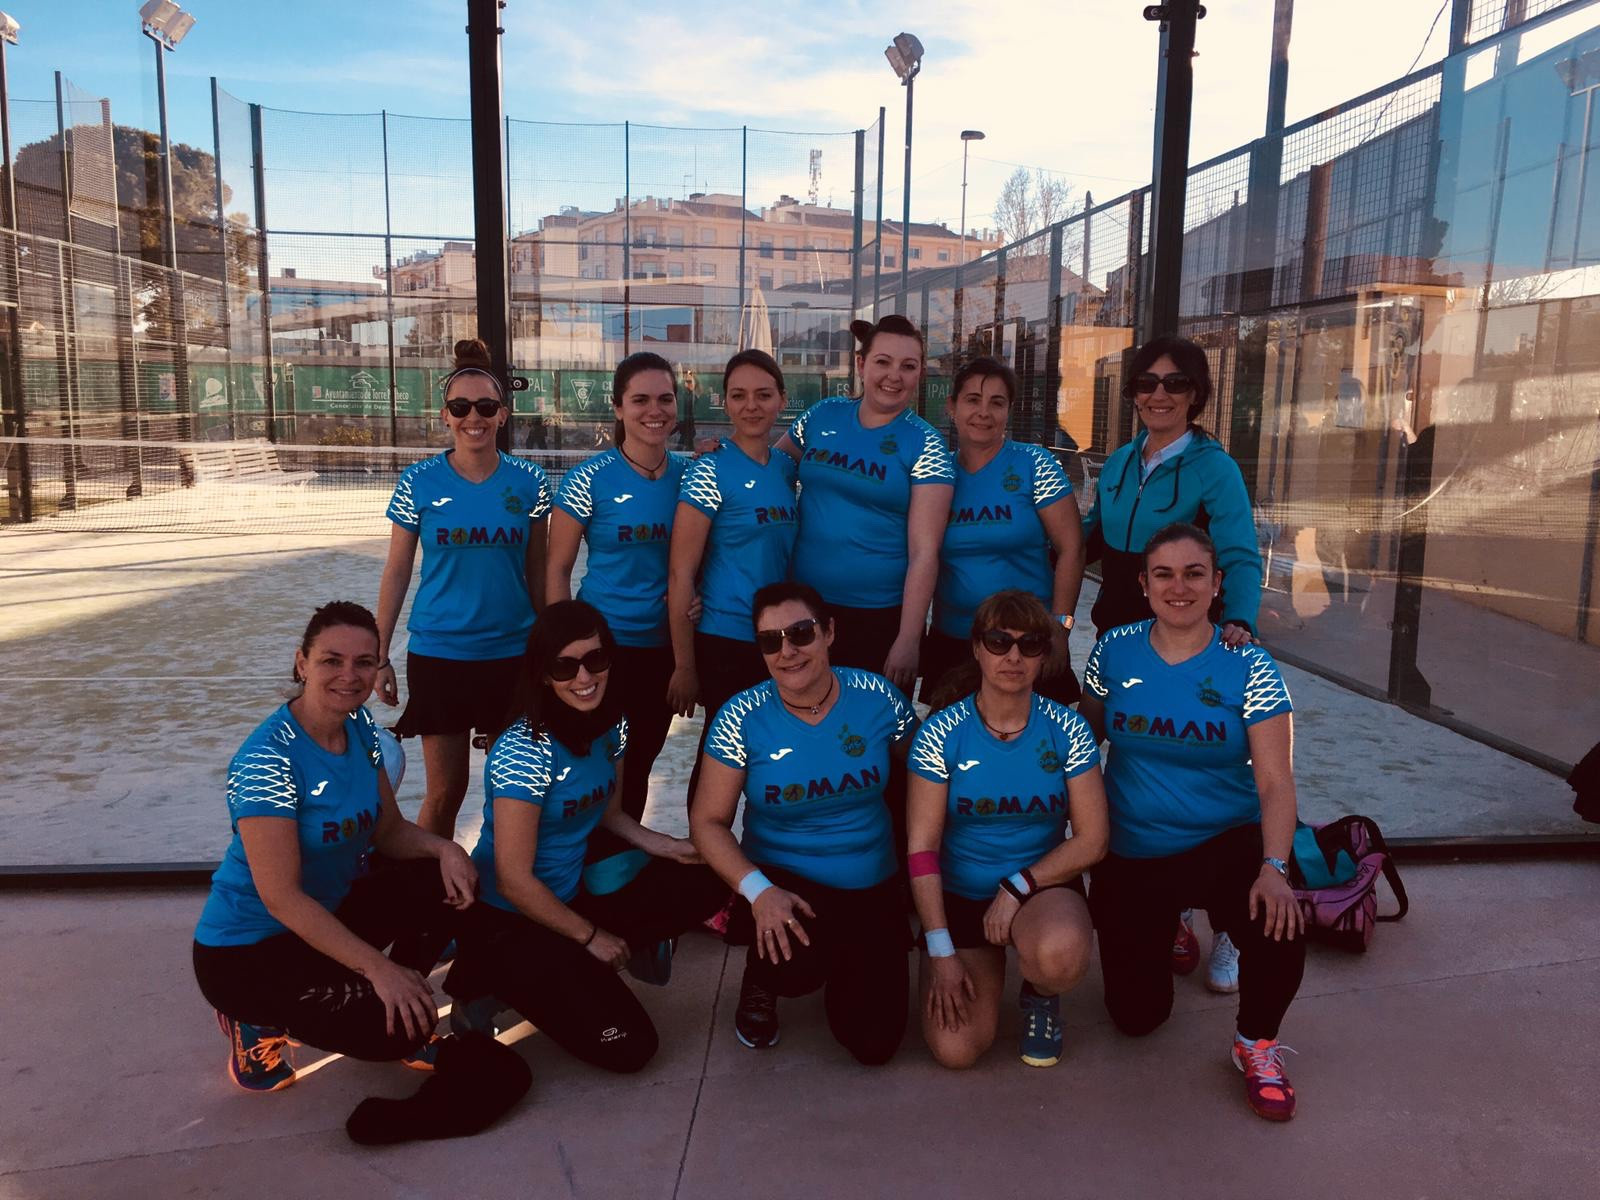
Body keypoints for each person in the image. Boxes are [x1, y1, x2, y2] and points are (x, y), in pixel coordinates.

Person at [193, 602, 480, 1092]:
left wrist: (446, 851)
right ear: (302, 663)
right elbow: (282, 898)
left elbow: (390, 832)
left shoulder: (360, 727)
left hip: (327, 916)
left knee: (447, 880)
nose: (350, 675)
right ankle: (254, 1020)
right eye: (332, 660)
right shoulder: (267, 759)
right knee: (392, 1035)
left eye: (364, 662)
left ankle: (399, 998)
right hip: (248, 950)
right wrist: (379, 968)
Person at [1078, 523, 1307, 1122]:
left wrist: (1275, 867)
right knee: (1136, 1019)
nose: (1178, 587)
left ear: (1217, 583)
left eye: (1193, 573)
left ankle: (1255, 1041)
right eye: (1164, 574)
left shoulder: (1249, 665)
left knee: (1281, 918)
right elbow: (1085, 739)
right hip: (1135, 847)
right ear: (1143, 584)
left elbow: (1275, 781)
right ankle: (1172, 925)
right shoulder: (1113, 649)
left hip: (1224, 839)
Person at [444, 600, 728, 1074]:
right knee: (632, 1048)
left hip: (572, 893)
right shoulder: (524, 749)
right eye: (565, 666)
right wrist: (592, 936)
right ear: (542, 674)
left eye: (596, 659)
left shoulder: (612, 725)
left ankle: (587, 961)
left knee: (710, 875)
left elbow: (609, 814)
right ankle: (488, 987)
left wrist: (666, 845)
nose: (584, 677)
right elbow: (513, 880)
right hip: (510, 917)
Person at [1081, 335, 1264, 983]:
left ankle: (1232, 926)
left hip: (1192, 641)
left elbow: (1238, 553)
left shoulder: (1215, 469)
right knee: (1138, 765)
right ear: (1133, 393)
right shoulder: (1120, 462)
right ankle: (1173, 909)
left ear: (1197, 394)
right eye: (1147, 383)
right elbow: (1090, 538)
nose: (1159, 394)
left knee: (1205, 769)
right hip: (1122, 638)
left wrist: (1240, 620)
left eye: (1175, 383)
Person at [690, 582, 918, 1063]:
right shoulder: (740, 717)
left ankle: (850, 957)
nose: (787, 651)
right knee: (793, 970)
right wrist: (758, 892)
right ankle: (763, 975)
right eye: (770, 641)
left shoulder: (878, 696)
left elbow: (926, 768)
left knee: (875, 1046)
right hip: (785, 884)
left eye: (800, 633)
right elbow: (707, 822)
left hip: (871, 880)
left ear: (829, 632)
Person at [906, 590, 1109, 1070]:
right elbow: (922, 849)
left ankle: (1040, 992)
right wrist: (940, 947)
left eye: (1029, 644)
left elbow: (1093, 840)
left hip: (1038, 888)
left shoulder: (1068, 729)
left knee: (1059, 955)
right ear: (977, 648)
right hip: (961, 892)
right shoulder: (940, 732)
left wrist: (1017, 887)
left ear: (1044, 656)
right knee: (956, 1050)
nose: (1013, 656)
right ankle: (977, 961)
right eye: (999, 642)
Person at [374, 338, 551, 837]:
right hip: (440, 656)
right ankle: (432, 880)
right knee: (446, 792)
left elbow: (539, 573)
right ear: (445, 416)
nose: (474, 416)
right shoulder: (419, 481)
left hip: (512, 655)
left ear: (503, 415)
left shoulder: (531, 481)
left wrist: (551, 649)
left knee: (514, 789)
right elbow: (396, 571)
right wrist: (379, 655)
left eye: (486, 407)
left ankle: (505, 877)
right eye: (461, 407)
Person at [776, 315, 955, 692]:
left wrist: (908, 638)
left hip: (877, 619)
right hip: (804, 609)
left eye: (908, 366)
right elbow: (768, 469)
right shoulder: (822, 415)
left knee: (871, 725)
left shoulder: (926, 444)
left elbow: (925, 552)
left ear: (920, 373)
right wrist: (721, 456)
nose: (894, 376)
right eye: (883, 362)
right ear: (861, 364)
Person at [548, 353, 685, 839]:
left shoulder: (693, 475)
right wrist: (562, 650)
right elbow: (557, 568)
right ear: (619, 407)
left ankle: (618, 863)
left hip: (664, 650)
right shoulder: (587, 479)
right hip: (602, 652)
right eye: (640, 399)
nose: (655, 410)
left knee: (640, 758)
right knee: (590, 762)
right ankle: (573, 860)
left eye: (665, 398)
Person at [667, 349, 799, 810]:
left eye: (763, 395)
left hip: (779, 641)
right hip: (724, 639)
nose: (751, 406)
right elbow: (681, 572)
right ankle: (703, 847)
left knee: (772, 752)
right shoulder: (708, 469)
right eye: (739, 396)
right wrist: (685, 665)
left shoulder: (786, 468)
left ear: (782, 400)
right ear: (724, 403)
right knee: (720, 757)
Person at [923, 356, 1085, 707]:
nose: (984, 412)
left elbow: (1072, 549)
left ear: (1009, 410)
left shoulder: (1035, 464)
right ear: (951, 407)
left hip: (1025, 644)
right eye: (972, 400)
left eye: (996, 403)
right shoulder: (935, 474)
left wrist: (1060, 628)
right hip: (954, 640)